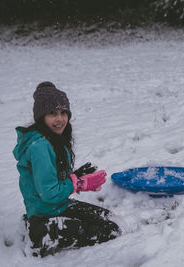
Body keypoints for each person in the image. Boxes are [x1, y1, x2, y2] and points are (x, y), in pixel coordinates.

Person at [13, 81, 120, 257]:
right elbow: (49, 193)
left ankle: (39, 224)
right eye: (52, 113)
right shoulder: (39, 147)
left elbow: (51, 177)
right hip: (46, 210)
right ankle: (41, 233)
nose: (60, 119)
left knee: (108, 218)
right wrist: (78, 184)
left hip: (58, 205)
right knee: (109, 230)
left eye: (63, 113)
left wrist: (75, 176)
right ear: (41, 117)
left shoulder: (54, 139)